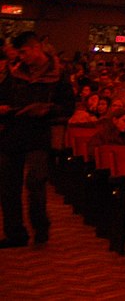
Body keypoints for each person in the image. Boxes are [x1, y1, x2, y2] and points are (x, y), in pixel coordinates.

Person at [0, 32, 74, 248]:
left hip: (39, 135)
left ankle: (41, 230)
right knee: (8, 186)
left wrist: (48, 109)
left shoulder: (58, 74)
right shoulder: (14, 73)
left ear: (36, 48)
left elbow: (68, 107)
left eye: (23, 52)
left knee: (35, 183)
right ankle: (15, 234)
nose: (21, 57)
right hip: (12, 134)